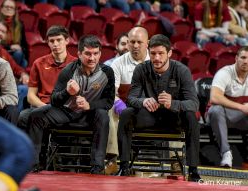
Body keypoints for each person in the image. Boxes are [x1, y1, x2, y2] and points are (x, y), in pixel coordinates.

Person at [116, 34, 201, 182]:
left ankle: (193, 171)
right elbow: (130, 99)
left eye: (161, 53)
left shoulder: (181, 70)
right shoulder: (141, 69)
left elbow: (194, 104)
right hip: (150, 115)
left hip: (173, 118)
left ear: (169, 53)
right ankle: (123, 167)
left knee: (191, 117)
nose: (156, 58)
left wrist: (173, 103)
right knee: (126, 114)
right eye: (153, 53)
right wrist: (143, 101)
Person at [27, 35, 115, 174]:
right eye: (87, 54)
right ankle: (33, 164)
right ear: (79, 54)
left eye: (95, 54)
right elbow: (54, 100)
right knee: (35, 116)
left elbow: (108, 101)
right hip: (66, 112)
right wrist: (67, 92)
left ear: (100, 54)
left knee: (103, 115)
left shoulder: (107, 72)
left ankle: (97, 167)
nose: (92, 58)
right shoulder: (68, 71)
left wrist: (89, 105)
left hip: (90, 115)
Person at [106, 27, 150, 169]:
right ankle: (112, 159)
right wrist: (118, 102)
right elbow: (110, 92)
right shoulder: (118, 63)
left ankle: (176, 160)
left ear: (147, 43)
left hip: (151, 109)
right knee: (110, 108)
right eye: (132, 42)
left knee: (175, 107)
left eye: (139, 42)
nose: (135, 46)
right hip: (125, 111)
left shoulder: (157, 60)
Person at [17, 25, 76, 130]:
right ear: (48, 43)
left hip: (66, 109)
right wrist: (45, 107)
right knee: (23, 116)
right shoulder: (39, 63)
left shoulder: (77, 64)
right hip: (43, 106)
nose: (55, 44)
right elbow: (31, 96)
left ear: (67, 40)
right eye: (52, 41)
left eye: (59, 40)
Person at [207, 46, 248, 168]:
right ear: (236, 58)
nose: (246, 61)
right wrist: (241, 107)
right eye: (243, 57)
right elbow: (214, 98)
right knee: (216, 110)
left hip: (240, 118)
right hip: (219, 116)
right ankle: (226, 153)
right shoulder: (224, 73)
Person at [0, 18, 29, 112]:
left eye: (3, 32)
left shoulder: (3, 51)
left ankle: (15, 121)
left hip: (3, 87)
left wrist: (23, 74)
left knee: (24, 89)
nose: (0, 33)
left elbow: (16, 68)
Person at [0, 0, 28, 68]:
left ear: (15, 11)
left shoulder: (19, 25)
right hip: (1, 53)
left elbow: (24, 45)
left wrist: (20, 48)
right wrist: (10, 47)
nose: (9, 9)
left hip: (16, 54)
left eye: (11, 7)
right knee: (20, 59)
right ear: (2, 9)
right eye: (6, 7)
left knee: (23, 60)